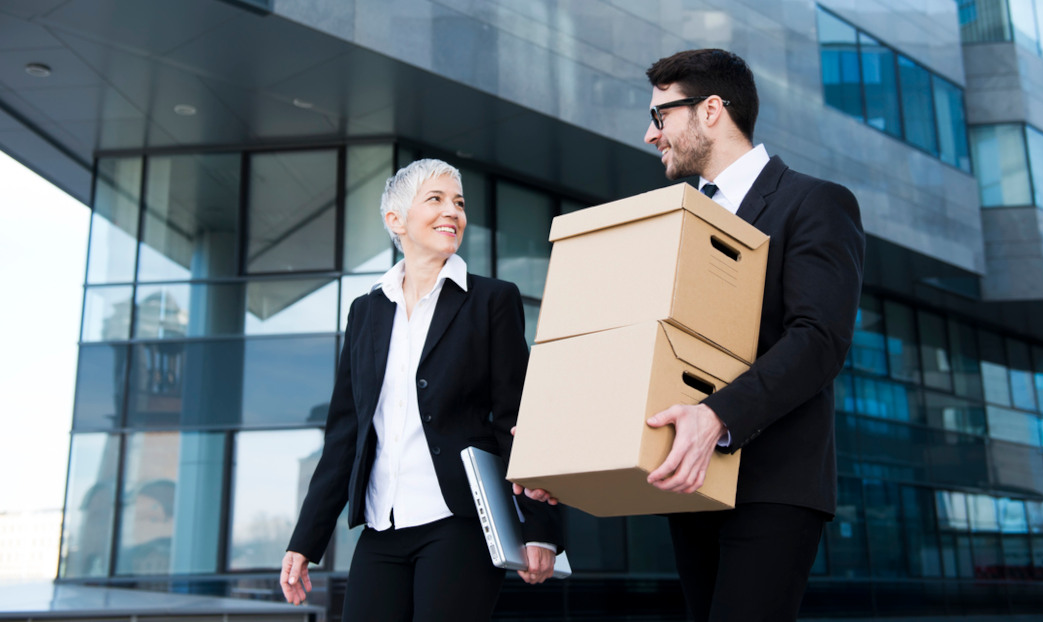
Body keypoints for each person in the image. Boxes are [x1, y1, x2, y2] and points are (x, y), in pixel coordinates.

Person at [520, 49, 864, 621]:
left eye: (660, 116)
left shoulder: (815, 202)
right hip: (690, 485)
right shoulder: (674, 220)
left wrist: (718, 416)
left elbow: (819, 340)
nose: (650, 134)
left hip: (770, 484)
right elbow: (647, 348)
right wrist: (565, 449)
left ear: (710, 111)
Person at [279, 159, 563, 621]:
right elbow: (345, 434)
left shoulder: (492, 300)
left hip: (459, 524)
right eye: (436, 199)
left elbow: (519, 418)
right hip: (381, 526)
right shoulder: (366, 312)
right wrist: (305, 540)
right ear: (396, 220)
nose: (452, 211)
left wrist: (542, 530)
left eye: (459, 203)